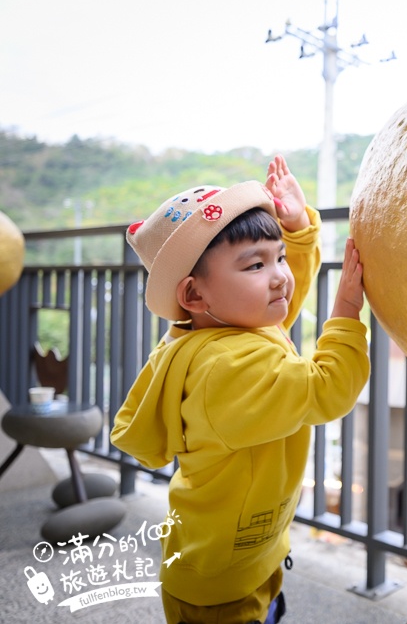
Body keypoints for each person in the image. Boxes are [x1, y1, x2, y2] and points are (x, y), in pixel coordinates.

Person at [111, 155, 369, 624]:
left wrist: (297, 231)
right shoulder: (226, 370)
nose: (279, 276)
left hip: (236, 553)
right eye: (254, 265)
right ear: (194, 295)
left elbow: (280, 301)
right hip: (222, 587)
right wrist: (348, 308)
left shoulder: (228, 329)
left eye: (280, 258)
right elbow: (328, 388)